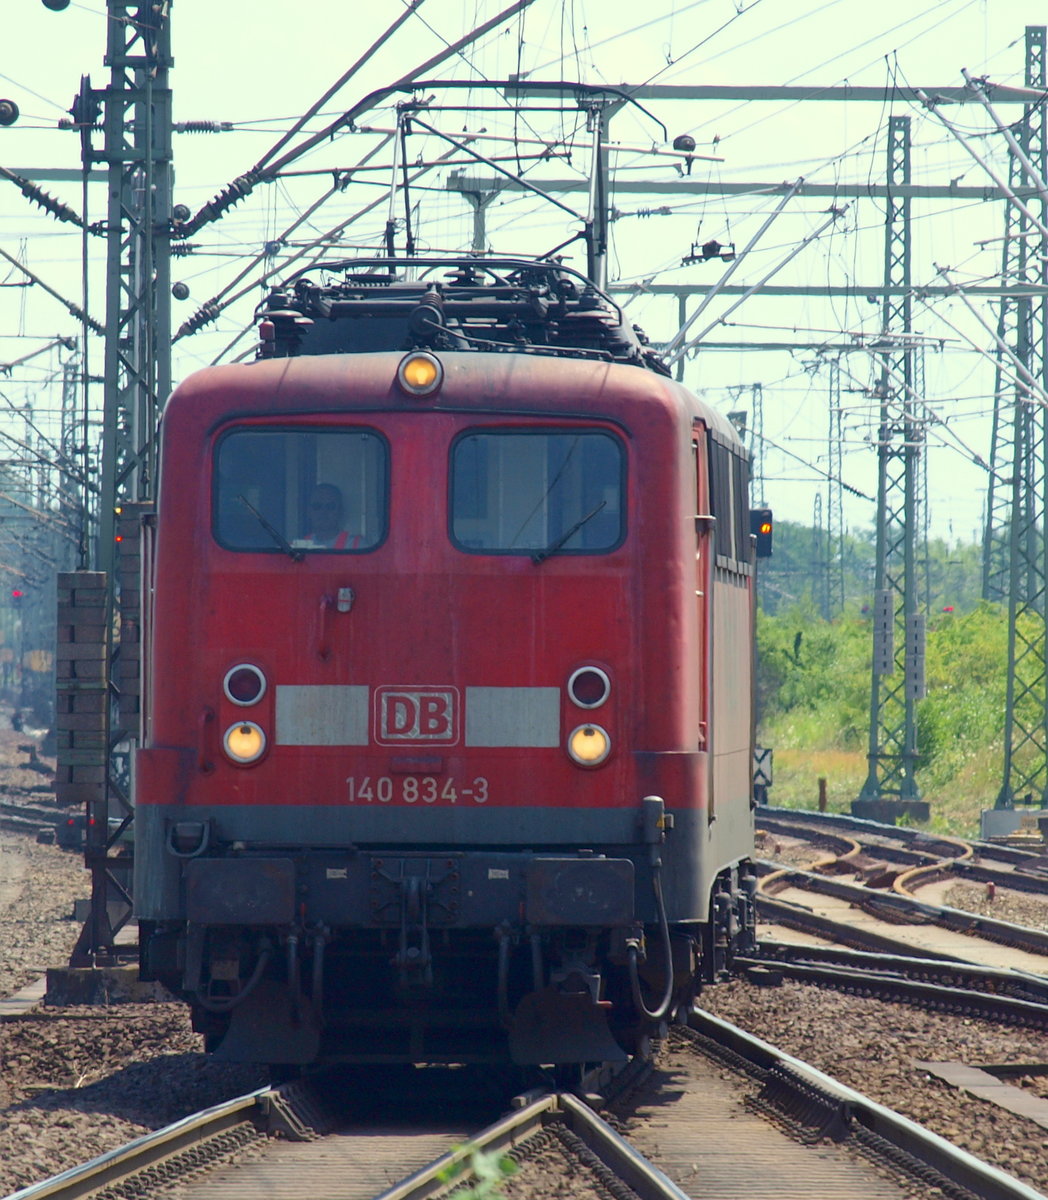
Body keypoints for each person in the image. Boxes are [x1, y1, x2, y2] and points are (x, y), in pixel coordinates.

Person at [297, 483, 356, 549]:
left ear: (340, 511)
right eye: (317, 506)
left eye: (330, 506)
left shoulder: (357, 547)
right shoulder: (300, 547)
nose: (323, 512)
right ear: (309, 511)